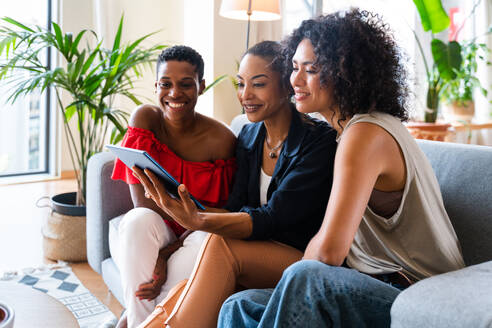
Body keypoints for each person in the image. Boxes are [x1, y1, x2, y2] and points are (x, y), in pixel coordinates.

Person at [218, 9, 465, 328]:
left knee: (308, 278)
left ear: (344, 72)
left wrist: (289, 287)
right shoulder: (343, 133)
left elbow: (329, 253)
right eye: (294, 67)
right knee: (239, 304)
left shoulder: (365, 133)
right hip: (368, 284)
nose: (295, 80)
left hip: (417, 293)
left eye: (311, 69)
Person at [132, 40, 338, 328]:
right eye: (241, 84)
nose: (246, 95)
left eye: (259, 84)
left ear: (287, 85)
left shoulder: (319, 142)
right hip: (255, 248)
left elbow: (272, 219)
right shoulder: (249, 137)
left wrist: (200, 219)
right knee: (184, 289)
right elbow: (235, 208)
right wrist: (170, 246)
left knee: (221, 244)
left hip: (300, 258)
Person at [110, 45, 237, 328]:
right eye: (165, 84)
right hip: (158, 226)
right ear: (156, 86)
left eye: (186, 84)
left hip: (196, 232)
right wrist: (162, 250)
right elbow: (142, 205)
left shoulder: (221, 140)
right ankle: (138, 319)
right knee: (135, 221)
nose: (174, 93)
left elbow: (221, 211)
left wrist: (167, 255)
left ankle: (133, 321)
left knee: (210, 241)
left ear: (201, 86)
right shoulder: (145, 120)